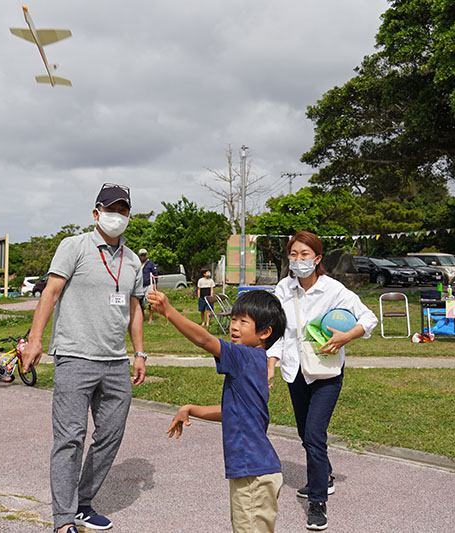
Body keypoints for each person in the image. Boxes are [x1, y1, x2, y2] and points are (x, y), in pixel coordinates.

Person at [20, 183, 147, 533]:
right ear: (96, 213)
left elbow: (135, 309)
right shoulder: (73, 247)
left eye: (123, 211)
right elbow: (51, 292)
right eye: (111, 209)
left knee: (111, 434)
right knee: (70, 437)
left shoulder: (133, 260)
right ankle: (63, 519)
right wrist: (35, 340)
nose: (116, 216)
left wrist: (139, 353)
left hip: (116, 361)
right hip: (75, 356)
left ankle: (82, 503)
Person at [148, 288, 286, 533]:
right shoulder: (256, 363)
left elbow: (204, 340)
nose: (235, 325)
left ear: (264, 333)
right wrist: (191, 409)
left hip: (253, 474)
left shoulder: (245, 356)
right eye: (234, 318)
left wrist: (169, 312)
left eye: (244, 321)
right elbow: (233, 412)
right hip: (255, 472)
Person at [266, 231, 378, 531]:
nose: (299, 260)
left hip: (327, 373)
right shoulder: (283, 288)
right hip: (295, 370)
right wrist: (271, 364)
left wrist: (346, 336)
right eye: (294, 254)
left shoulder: (334, 289)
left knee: (315, 435)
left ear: (317, 259)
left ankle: (317, 502)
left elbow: (368, 319)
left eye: (305, 255)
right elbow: (278, 331)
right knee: (305, 433)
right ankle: (325, 475)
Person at [138, 248, 159, 323]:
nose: (143, 257)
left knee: (150, 301)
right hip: (139, 285)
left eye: (144, 255)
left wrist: (154, 285)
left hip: (148, 285)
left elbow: (155, 274)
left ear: (146, 255)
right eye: (141, 255)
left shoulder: (150, 263)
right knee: (140, 302)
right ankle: (142, 317)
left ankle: (151, 317)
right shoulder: (137, 263)